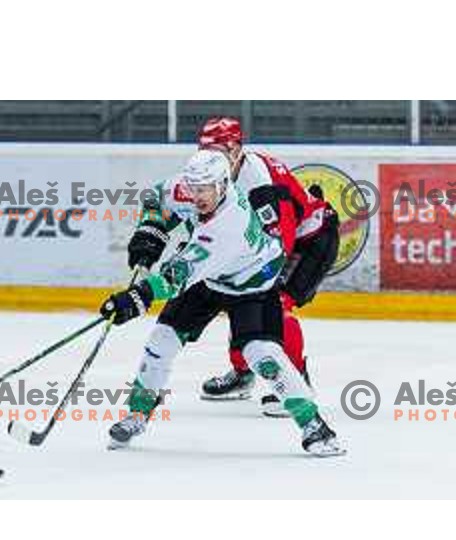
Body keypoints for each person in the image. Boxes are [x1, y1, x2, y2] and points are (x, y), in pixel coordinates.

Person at [101, 149, 345, 457]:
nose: (197, 196)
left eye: (204, 189)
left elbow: (178, 274)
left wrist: (136, 298)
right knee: (161, 339)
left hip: (252, 285)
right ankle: (137, 413)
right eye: (193, 188)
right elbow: (156, 197)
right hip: (211, 279)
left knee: (262, 354)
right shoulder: (189, 188)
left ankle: (314, 425)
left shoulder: (229, 224)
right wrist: (149, 232)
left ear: (223, 185)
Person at [193, 117, 340, 416]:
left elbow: (279, 246)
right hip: (278, 240)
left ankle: (298, 382)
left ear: (236, 150)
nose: (210, 158)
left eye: (218, 151)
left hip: (311, 242)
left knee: (274, 303)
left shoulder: (260, 185)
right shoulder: (218, 175)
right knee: (236, 296)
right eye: (205, 151)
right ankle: (243, 373)